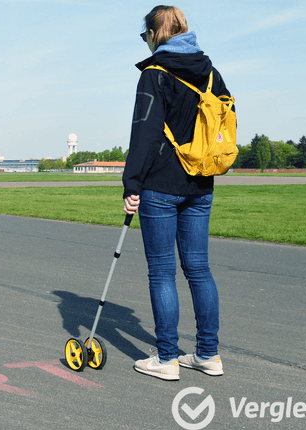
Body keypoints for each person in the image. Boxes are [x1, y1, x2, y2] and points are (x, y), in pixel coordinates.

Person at [123, 5, 230, 381]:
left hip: (162, 185)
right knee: (198, 269)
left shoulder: (154, 74)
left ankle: (167, 358)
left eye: (145, 35)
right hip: (201, 182)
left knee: (163, 272)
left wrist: (131, 183)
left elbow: (145, 133)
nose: (146, 42)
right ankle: (208, 354)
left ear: (156, 33)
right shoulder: (211, 73)